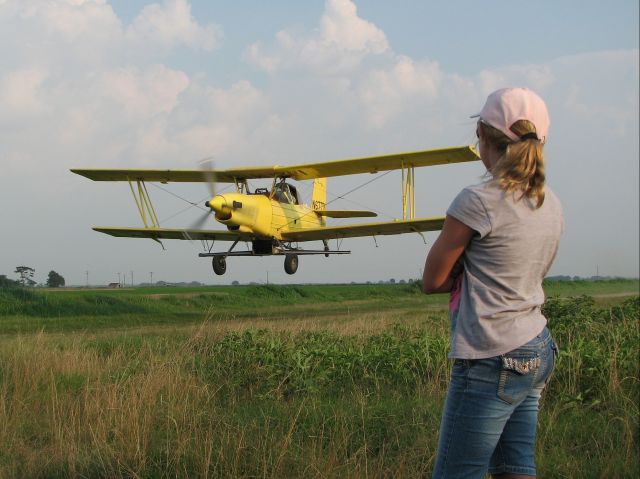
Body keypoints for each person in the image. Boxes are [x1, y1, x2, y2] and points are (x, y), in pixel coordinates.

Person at [422, 87, 563, 479]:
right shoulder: (550, 202)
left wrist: (461, 266)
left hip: (491, 354)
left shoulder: (476, 200)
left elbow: (432, 280)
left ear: (483, 136)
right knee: (515, 469)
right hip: (536, 345)